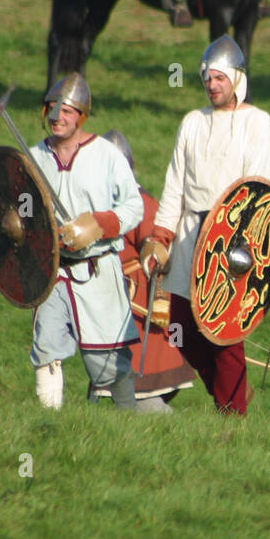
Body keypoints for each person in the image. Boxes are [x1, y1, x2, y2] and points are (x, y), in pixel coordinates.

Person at [140, 36, 270, 416]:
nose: (213, 85)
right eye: (207, 79)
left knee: (226, 334)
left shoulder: (258, 123)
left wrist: (243, 244)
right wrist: (160, 236)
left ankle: (233, 414)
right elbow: (174, 186)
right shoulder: (191, 123)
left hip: (232, 239)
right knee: (181, 327)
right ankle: (224, 397)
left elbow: (260, 187)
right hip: (188, 237)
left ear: (236, 78)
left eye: (219, 77)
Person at [29, 74, 144, 411]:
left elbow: (134, 205)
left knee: (108, 362)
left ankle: (128, 424)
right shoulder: (35, 156)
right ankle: (49, 425)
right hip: (52, 271)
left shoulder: (106, 155)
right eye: (53, 109)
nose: (57, 117)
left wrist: (99, 225)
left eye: (66, 111)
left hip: (96, 270)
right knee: (46, 349)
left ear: (81, 115)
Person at [102, 129, 194, 413]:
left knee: (140, 396)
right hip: (117, 307)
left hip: (144, 311)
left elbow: (158, 253)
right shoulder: (100, 206)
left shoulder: (140, 203)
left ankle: (177, 436)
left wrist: (160, 297)